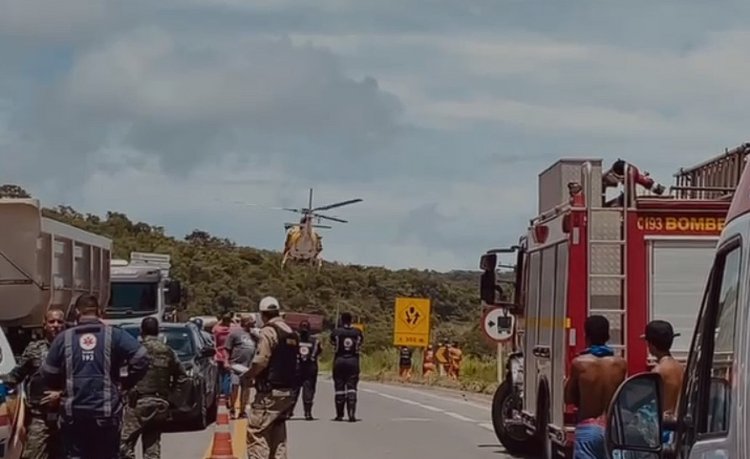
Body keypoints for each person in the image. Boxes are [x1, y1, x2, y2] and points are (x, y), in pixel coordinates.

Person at [40, 294, 149, 459]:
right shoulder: (115, 335)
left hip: (74, 415)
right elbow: (141, 358)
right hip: (106, 414)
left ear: (77, 313)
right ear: (100, 312)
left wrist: (61, 389)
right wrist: (125, 384)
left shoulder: (64, 338)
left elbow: (47, 372)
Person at [120, 317, 188, 459]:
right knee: (152, 444)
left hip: (138, 402)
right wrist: (173, 398)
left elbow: (122, 372)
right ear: (157, 331)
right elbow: (183, 376)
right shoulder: (168, 351)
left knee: (124, 444)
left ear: (141, 331)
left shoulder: (136, 349)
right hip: (160, 404)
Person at [3, 309, 65, 459]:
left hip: (66, 417)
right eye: (51, 322)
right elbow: (16, 375)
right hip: (39, 417)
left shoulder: (72, 349)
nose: (55, 325)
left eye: (59, 322)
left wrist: (61, 394)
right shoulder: (34, 349)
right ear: (44, 324)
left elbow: (83, 381)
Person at [564, 315, 627, 459]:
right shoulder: (620, 364)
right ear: (608, 335)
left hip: (588, 429)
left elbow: (568, 398)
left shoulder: (580, 364)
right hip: (612, 429)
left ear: (587, 336)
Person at [245, 296, 299, 459]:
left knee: (257, 432)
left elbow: (261, 360)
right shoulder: (290, 332)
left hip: (269, 392)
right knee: (278, 434)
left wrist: (249, 375)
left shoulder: (269, 331)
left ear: (263, 314)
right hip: (287, 392)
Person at [642, 320, 684, 443]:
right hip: (676, 429)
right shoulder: (680, 368)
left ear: (652, 345)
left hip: (661, 429)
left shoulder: (658, 370)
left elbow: (644, 400)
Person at [330, 311, 363, 422]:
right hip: (353, 361)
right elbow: (360, 342)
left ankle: (339, 415)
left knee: (339, 387)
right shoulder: (357, 332)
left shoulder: (336, 332)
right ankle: (351, 413)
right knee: (352, 387)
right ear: (351, 320)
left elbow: (332, 342)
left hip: (339, 360)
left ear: (342, 320)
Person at [226, 315, 258, 419]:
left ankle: (242, 410)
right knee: (234, 388)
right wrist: (226, 362)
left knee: (246, 390)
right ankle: (232, 409)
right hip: (236, 366)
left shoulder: (254, 336)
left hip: (248, 367)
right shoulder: (235, 334)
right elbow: (227, 349)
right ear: (245, 322)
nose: (253, 323)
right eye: (251, 321)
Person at [291, 320, 321, 420]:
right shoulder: (315, 340)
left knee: (295, 391)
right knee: (308, 391)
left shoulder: (295, 339)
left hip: (298, 368)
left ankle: (289, 412)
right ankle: (307, 413)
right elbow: (318, 351)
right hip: (309, 368)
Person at [213, 313, 233, 406]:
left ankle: (220, 394)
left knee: (220, 376)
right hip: (228, 355)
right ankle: (226, 395)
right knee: (227, 376)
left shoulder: (217, 330)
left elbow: (214, 329)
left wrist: (220, 322)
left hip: (219, 355)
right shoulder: (231, 330)